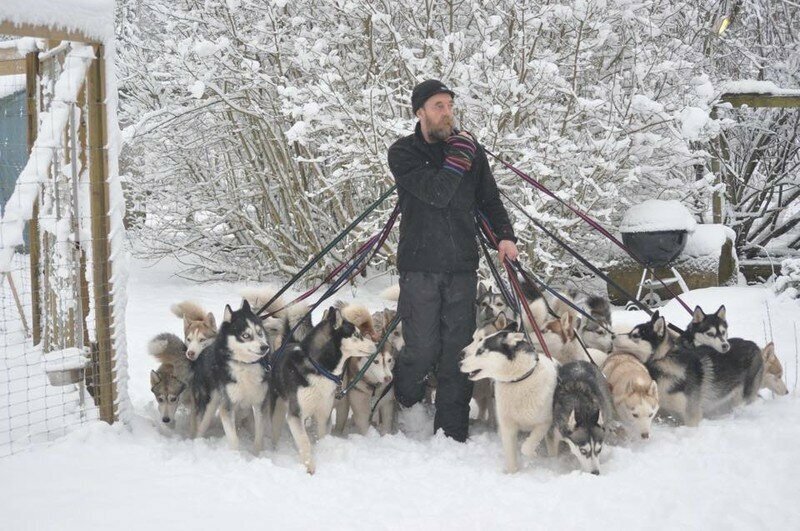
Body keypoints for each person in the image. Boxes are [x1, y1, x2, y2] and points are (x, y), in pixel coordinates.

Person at [387, 79, 519, 442]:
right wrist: (460, 156)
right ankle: (411, 406)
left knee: (457, 350)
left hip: (462, 264)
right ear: (420, 112)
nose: (447, 113)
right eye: (438, 106)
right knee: (421, 347)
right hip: (419, 265)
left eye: (449, 105)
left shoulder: (470, 152)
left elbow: (489, 199)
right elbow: (436, 193)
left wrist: (505, 236)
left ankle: (452, 428)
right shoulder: (403, 152)